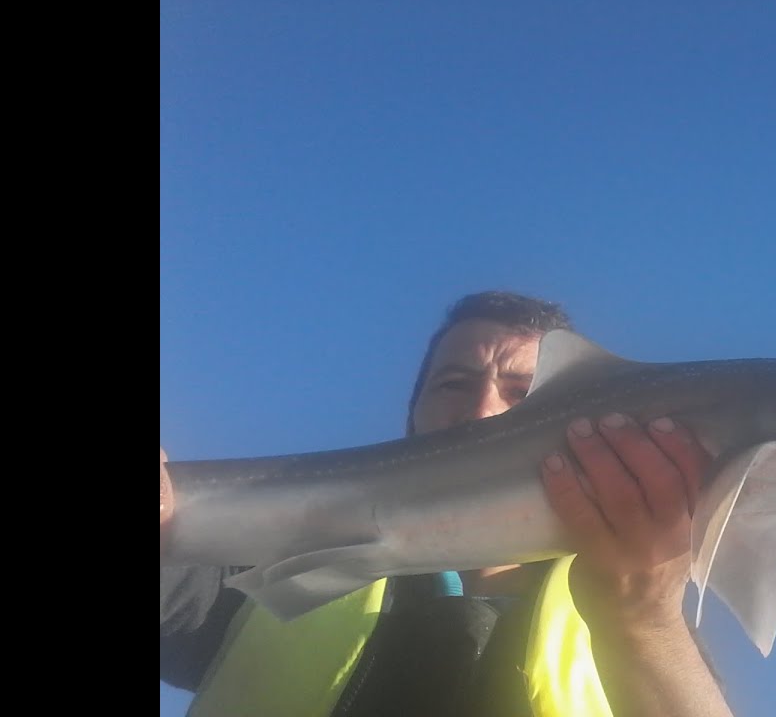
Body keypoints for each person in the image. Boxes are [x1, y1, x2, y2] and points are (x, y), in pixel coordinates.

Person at [160, 291, 735, 716]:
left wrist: (644, 619)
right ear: (412, 420)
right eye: (454, 384)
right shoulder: (267, 572)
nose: (484, 408)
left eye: (525, 394)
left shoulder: (648, 609)